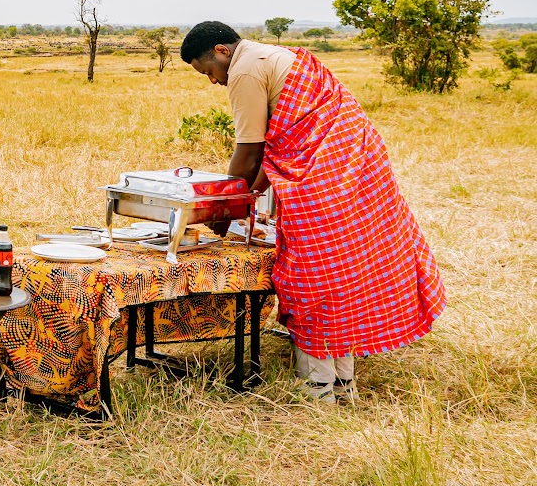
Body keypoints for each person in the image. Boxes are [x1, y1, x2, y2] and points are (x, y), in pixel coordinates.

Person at [179, 21, 445, 403]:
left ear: (222, 51)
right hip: (358, 167)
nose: (213, 81)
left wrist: (222, 209)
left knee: (310, 273)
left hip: (326, 175)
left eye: (208, 71)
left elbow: (252, 151)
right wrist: (247, 199)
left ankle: (318, 390)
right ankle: (342, 383)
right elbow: (282, 148)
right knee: (341, 273)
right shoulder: (277, 55)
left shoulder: (245, 69)